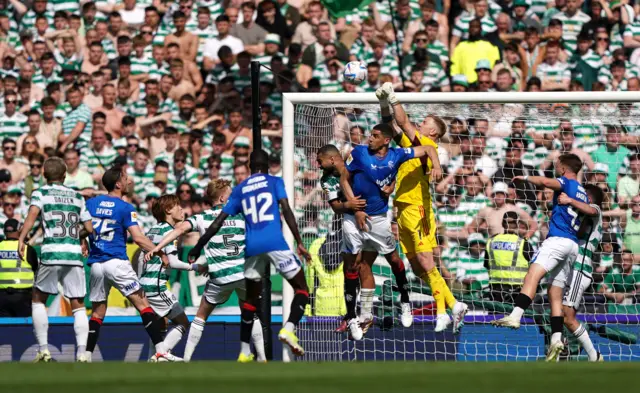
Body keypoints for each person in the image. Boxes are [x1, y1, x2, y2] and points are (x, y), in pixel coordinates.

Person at [180, 151, 310, 360]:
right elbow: (286, 209)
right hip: (274, 241)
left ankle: (242, 352)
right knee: (302, 289)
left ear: (250, 167)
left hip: (250, 249)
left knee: (248, 302)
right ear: (267, 165)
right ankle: (287, 330)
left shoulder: (240, 190)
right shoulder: (274, 181)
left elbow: (215, 224)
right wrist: (300, 242)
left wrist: (197, 248)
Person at [376, 82, 469, 333]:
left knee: (427, 262)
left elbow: (404, 122)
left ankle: (442, 312)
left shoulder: (427, 143)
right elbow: (390, 127)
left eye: (426, 121)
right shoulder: (411, 142)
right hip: (402, 208)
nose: (421, 122)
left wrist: (394, 98)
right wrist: (384, 103)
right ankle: (454, 303)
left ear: (434, 133)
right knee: (417, 268)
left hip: (418, 208)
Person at [146, 179, 266, 362]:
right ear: (223, 196)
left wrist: (157, 247)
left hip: (219, 276)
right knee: (250, 312)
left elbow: (179, 229)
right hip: (242, 273)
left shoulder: (203, 217)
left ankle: (187, 358)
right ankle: (262, 357)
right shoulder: (242, 215)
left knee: (200, 317)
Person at [492, 153, 596, 362]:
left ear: (565, 168)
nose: (556, 169)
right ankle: (557, 339)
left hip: (557, 240)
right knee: (554, 294)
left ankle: (516, 315)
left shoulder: (566, 183)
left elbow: (545, 181)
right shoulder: (583, 193)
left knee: (533, 274)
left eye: (557, 166)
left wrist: (525, 178)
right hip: (572, 246)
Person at [83, 165, 181, 362]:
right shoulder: (125, 207)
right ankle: (161, 351)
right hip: (116, 261)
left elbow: (83, 228)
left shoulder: (92, 204)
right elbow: (138, 238)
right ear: (118, 183)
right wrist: (159, 250)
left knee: (97, 312)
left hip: (96, 265)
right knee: (144, 305)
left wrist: (82, 241)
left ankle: (86, 355)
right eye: (126, 178)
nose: (130, 181)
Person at [316, 144, 412, 339]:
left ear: (332, 159)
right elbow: (336, 206)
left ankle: (402, 301)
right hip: (350, 222)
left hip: (375, 219)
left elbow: (385, 166)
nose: (318, 165)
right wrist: (349, 205)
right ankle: (361, 315)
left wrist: (392, 183)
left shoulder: (358, 160)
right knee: (356, 267)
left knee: (381, 261)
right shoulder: (327, 180)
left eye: (320, 161)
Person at [18, 157, 94, 362]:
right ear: (64, 175)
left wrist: (22, 238)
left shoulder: (41, 193)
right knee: (77, 303)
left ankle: (43, 349)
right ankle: (82, 354)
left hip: (52, 252)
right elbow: (89, 228)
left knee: (38, 299)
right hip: (74, 255)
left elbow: (32, 215)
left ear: (44, 175)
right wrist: (78, 238)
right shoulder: (77, 196)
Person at [139, 194, 208, 361]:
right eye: (177, 205)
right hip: (157, 286)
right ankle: (161, 354)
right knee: (183, 322)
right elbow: (173, 262)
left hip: (145, 284)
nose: (181, 209)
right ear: (168, 210)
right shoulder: (169, 232)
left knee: (160, 326)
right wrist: (196, 267)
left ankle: (153, 358)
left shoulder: (153, 229)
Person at [555, 184, 605, 362]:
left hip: (580, 270)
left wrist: (569, 200)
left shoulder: (595, 209)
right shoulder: (583, 216)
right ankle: (562, 348)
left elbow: (589, 213)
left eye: (583, 195)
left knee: (568, 318)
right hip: (571, 270)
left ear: (589, 198)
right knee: (558, 313)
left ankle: (594, 356)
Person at [485, 211, 534, 304]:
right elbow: (533, 267)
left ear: (502, 223)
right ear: (517, 224)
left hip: (496, 289)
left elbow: (487, 264)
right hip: (518, 290)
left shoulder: (491, 241)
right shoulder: (523, 243)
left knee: (494, 317)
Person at [0, 219, 37, 317]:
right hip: (23, 297)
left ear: (4, 232)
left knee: (3, 330)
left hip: (1, 297)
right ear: (19, 230)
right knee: (24, 330)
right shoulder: (27, 249)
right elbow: (36, 271)